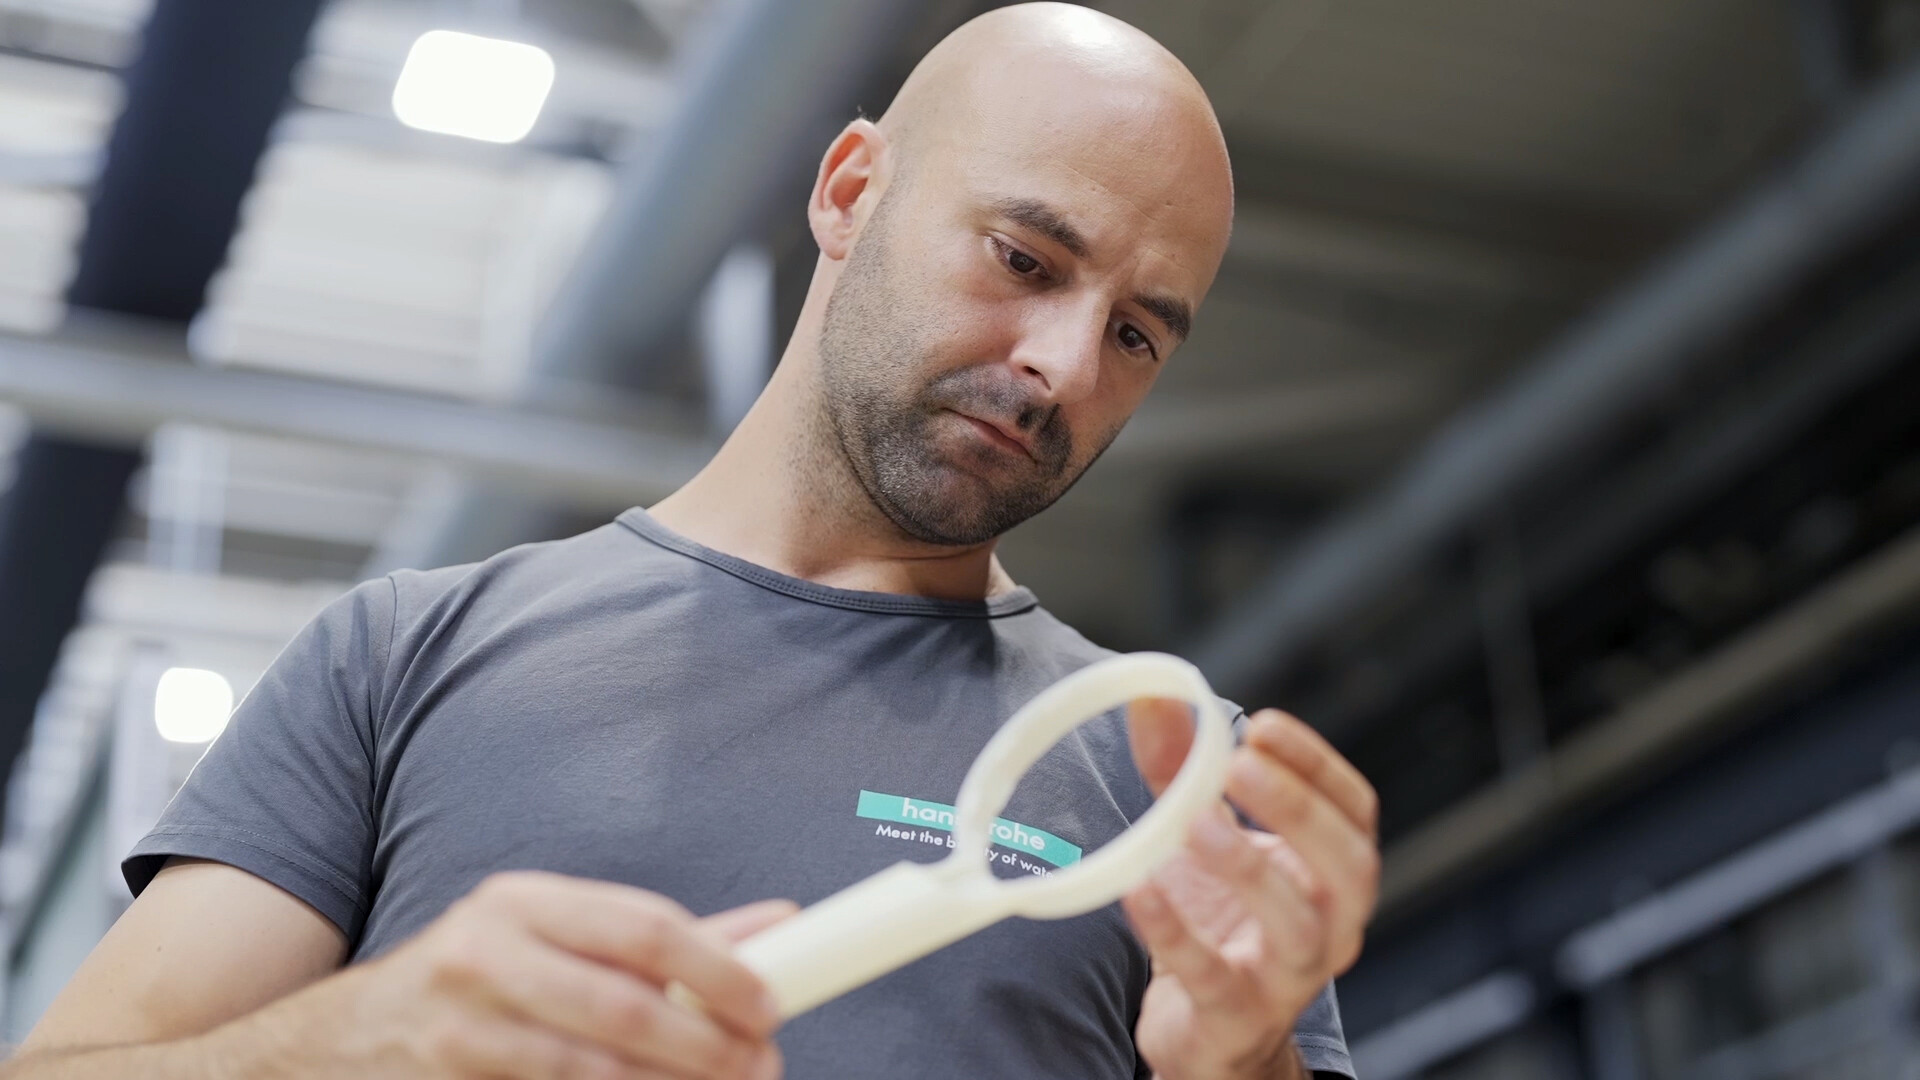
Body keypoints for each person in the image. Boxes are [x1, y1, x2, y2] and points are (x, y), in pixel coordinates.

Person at [7, 4, 1378, 1078]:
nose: (1066, 367)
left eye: (1137, 333)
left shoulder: (1169, 790)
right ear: (849, 192)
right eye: (1024, 260)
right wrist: (355, 1046)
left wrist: (1242, 1065)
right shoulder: (401, 655)